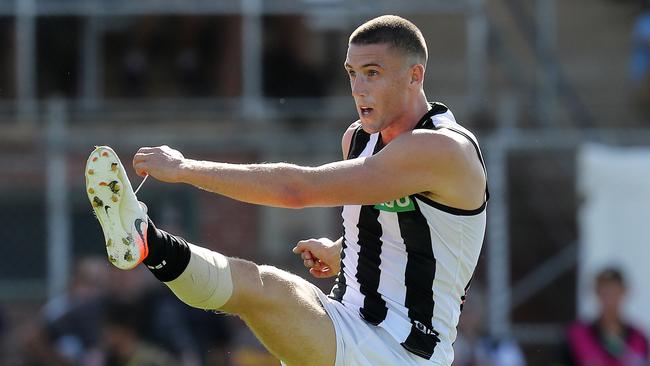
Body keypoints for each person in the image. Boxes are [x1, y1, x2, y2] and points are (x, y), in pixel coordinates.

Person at [85, 15, 488, 366]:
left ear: (414, 76)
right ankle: (144, 240)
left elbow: (297, 190)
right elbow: (411, 225)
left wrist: (184, 168)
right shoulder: (358, 140)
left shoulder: (441, 148)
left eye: (373, 73)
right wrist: (344, 247)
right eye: (351, 73)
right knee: (256, 283)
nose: (358, 88)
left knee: (264, 291)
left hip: (401, 353)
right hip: (346, 319)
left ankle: (145, 241)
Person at [560, 267, 649, 366]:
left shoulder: (638, 339)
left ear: (624, 292)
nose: (609, 298)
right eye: (605, 292)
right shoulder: (578, 335)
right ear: (596, 293)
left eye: (614, 291)